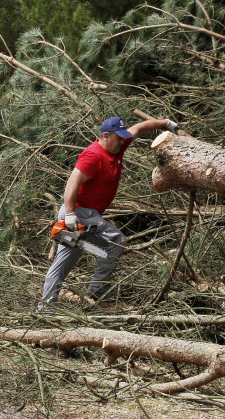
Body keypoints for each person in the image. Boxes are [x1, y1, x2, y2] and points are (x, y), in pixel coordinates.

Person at [39, 116, 180, 309]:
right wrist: (70, 214)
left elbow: (139, 128)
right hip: (78, 214)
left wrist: (164, 123)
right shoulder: (93, 155)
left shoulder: (117, 145)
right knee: (114, 242)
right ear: (106, 136)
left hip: (89, 216)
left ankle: (85, 291)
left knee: (93, 251)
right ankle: (87, 295)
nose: (122, 142)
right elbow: (72, 182)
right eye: (118, 138)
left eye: (123, 138)